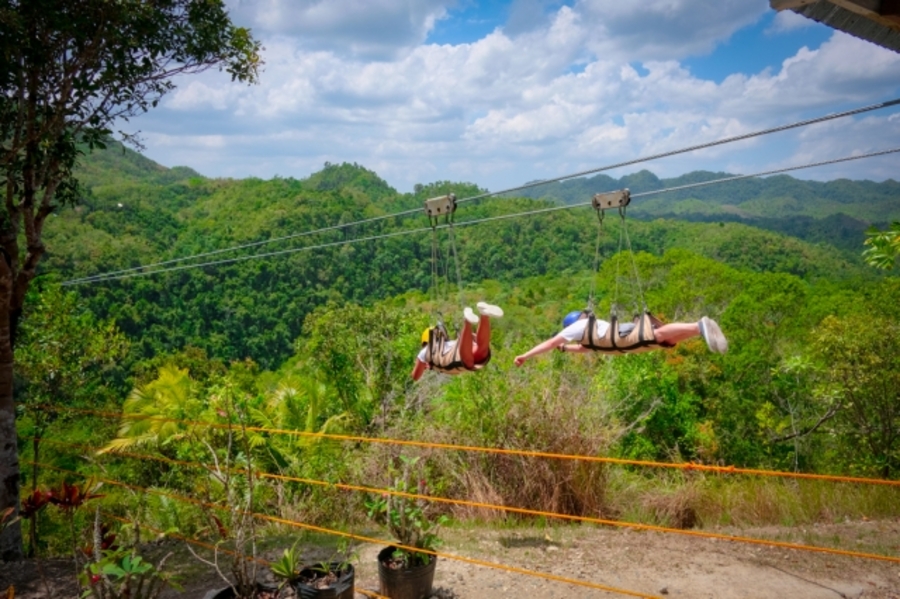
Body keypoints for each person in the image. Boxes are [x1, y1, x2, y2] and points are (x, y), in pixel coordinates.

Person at [514, 310, 727, 366]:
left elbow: (551, 343)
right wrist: (566, 349)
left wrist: (526, 355)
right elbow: (585, 349)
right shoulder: (588, 334)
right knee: (664, 341)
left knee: (656, 334)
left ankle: (698, 324)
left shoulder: (578, 327)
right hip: (619, 340)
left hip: (620, 338)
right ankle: (701, 331)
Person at [412, 302, 504, 380]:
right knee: (482, 352)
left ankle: (467, 322)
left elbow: (415, 377)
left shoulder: (425, 352)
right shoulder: (449, 343)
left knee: (467, 361)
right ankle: (484, 315)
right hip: (459, 348)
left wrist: (424, 365)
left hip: (454, 358)